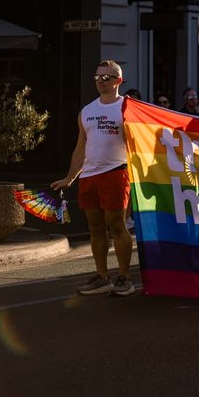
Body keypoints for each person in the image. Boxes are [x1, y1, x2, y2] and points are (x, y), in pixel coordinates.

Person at [50, 60, 135, 296]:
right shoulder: (87, 111)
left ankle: (124, 278)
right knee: (95, 227)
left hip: (116, 172)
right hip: (89, 175)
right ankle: (102, 276)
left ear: (118, 81)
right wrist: (69, 178)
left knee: (117, 226)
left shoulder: (128, 108)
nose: (100, 81)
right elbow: (80, 148)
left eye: (106, 77)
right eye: (97, 77)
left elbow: (142, 142)